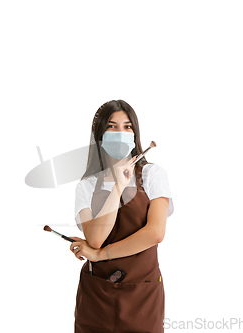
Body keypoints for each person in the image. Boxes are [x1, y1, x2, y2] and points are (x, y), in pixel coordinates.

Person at [69, 100, 174, 333]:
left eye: (128, 127)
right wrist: (117, 187)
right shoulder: (86, 186)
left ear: (135, 134)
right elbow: (96, 237)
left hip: (142, 298)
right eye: (112, 126)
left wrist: (99, 255)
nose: (121, 133)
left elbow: (155, 233)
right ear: (99, 134)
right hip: (96, 298)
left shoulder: (152, 175)